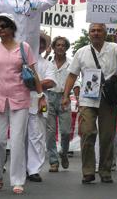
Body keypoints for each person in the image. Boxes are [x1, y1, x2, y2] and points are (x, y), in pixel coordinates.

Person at [0, 13, 47, 195]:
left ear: (12, 28)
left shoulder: (24, 47)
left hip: (20, 98)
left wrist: (41, 94)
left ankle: (18, 180)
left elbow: (33, 73)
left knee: (18, 140)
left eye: (4, 26)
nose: (0, 30)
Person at [61, 23, 117, 185]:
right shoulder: (81, 52)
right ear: (89, 34)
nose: (96, 33)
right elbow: (72, 76)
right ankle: (87, 171)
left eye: (99, 30)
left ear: (105, 33)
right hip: (88, 98)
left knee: (107, 136)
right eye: (93, 31)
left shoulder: (115, 47)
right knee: (87, 132)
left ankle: (105, 170)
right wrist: (66, 95)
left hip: (109, 98)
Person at [26, 32, 56, 182]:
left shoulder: (47, 64)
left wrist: (32, 83)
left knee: (37, 136)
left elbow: (50, 82)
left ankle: (34, 169)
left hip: (39, 102)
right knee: (21, 137)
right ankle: (23, 167)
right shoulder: (21, 60)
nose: (40, 45)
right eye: (38, 42)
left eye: (43, 43)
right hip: (20, 101)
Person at [47, 36, 73, 172]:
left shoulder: (71, 63)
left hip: (65, 97)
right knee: (50, 132)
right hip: (49, 97)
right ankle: (53, 160)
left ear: (66, 48)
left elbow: (76, 80)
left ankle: (64, 152)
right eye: (58, 45)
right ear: (54, 47)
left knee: (65, 131)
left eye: (63, 45)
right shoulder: (48, 62)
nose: (60, 47)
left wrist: (75, 96)